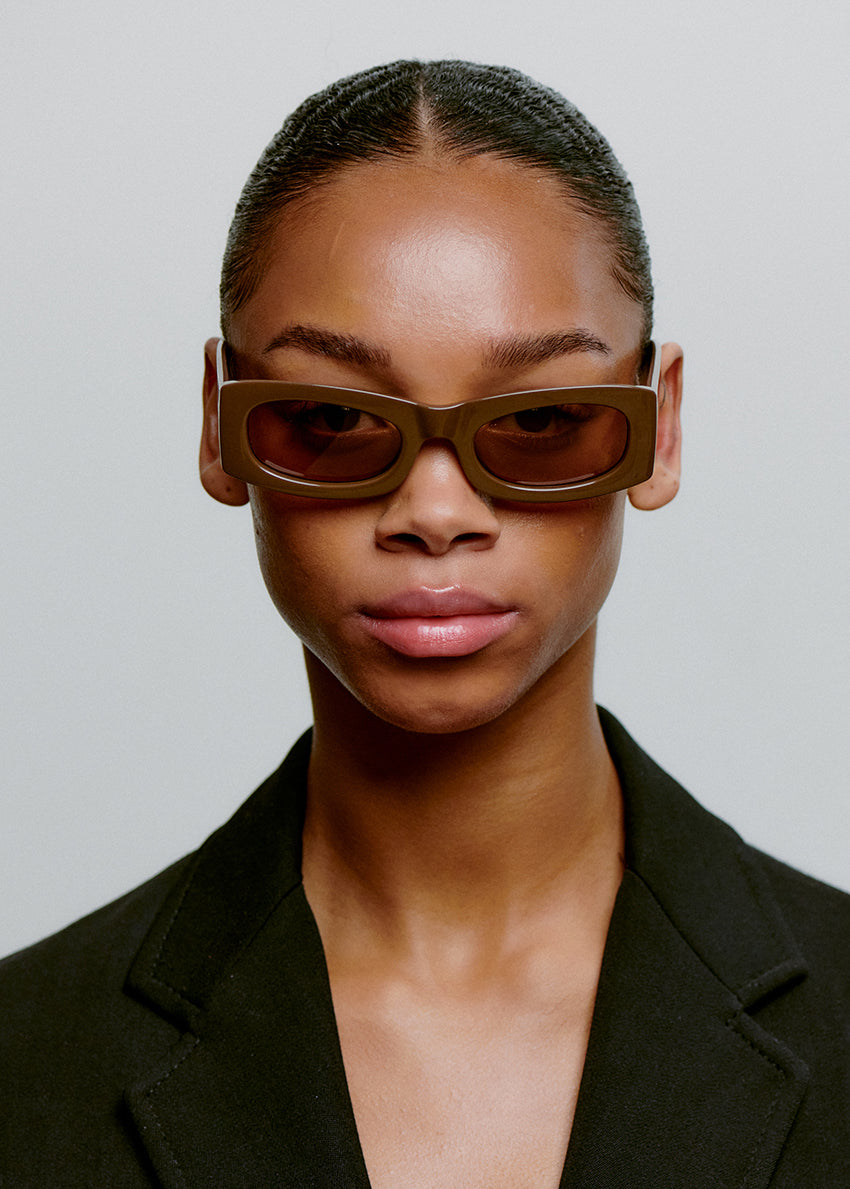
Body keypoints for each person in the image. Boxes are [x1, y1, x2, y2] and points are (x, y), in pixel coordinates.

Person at [1, 59, 847, 1188]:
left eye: (543, 418)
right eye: (330, 420)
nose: (435, 512)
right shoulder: (26, 1060)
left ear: (662, 424)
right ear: (220, 426)